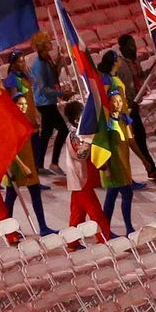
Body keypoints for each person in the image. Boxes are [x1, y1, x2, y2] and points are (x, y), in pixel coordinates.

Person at [4, 90, 54, 236]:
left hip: (29, 164)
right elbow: (10, 149)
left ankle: (43, 226)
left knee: (36, 195)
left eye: (25, 104)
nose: (23, 107)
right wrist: (23, 166)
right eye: (20, 104)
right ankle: (8, 230)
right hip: (17, 166)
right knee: (10, 198)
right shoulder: (11, 123)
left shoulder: (24, 121)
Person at [60, 100, 110, 243]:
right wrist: (88, 142)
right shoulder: (76, 136)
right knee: (96, 214)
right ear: (76, 120)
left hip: (80, 180)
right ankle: (104, 240)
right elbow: (81, 155)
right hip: (81, 180)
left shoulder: (81, 134)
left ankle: (72, 242)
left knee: (77, 213)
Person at [114, 34, 156, 179]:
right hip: (125, 107)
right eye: (130, 44)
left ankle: (150, 167)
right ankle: (150, 168)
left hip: (135, 103)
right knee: (135, 139)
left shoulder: (134, 61)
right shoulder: (119, 65)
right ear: (123, 48)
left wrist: (151, 69)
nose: (134, 47)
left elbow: (138, 77)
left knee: (139, 137)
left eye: (134, 43)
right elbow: (116, 87)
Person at [97, 91, 136, 237]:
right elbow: (103, 145)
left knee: (111, 197)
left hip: (123, 164)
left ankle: (105, 230)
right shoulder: (106, 125)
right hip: (112, 166)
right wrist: (106, 167)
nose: (118, 104)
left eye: (120, 101)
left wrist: (145, 160)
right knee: (127, 194)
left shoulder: (123, 119)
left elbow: (131, 141)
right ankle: (129, 227)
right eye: (115, 101)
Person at [29, 32, 68, 172]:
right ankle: (54, 163)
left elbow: (52, 78)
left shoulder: (47, 59)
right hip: (44, 103)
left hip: (49, 101)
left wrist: (59, 63)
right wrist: (61, 93)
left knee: (46, 133)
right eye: (48, 41)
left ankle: (39, 164)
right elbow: (44, 88)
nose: (51, 42)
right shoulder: (38, 65)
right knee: (63, 130)